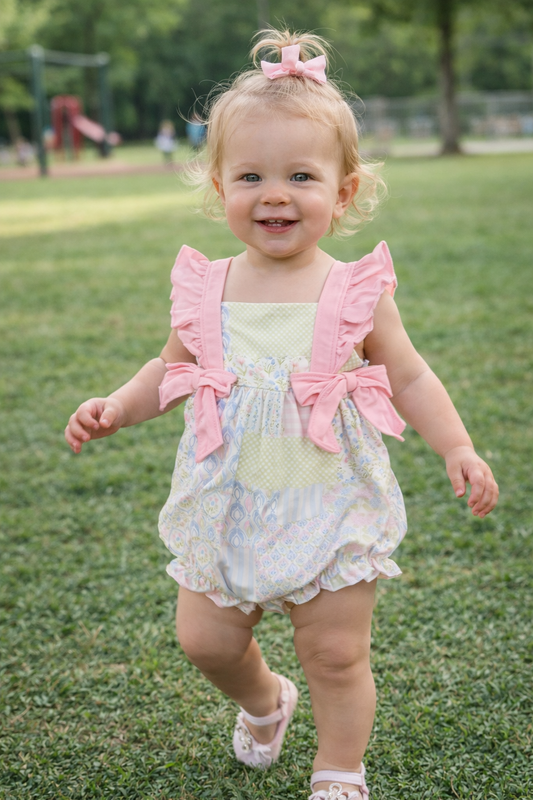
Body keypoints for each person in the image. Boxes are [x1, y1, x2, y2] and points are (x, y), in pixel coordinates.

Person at [65, 29, 498, 800]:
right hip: (227, 495)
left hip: (328, 496)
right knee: (204, 641)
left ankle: (338, 771)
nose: (273, 193)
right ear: (219, 187)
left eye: (300, 175)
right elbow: (170, 368)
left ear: (342, 191)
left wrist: (456, 445)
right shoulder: (207, 287)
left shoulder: (355, 290)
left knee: (334, 653)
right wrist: (115, 407)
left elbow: (408, 374)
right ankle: (265, 703)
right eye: (250, 176)